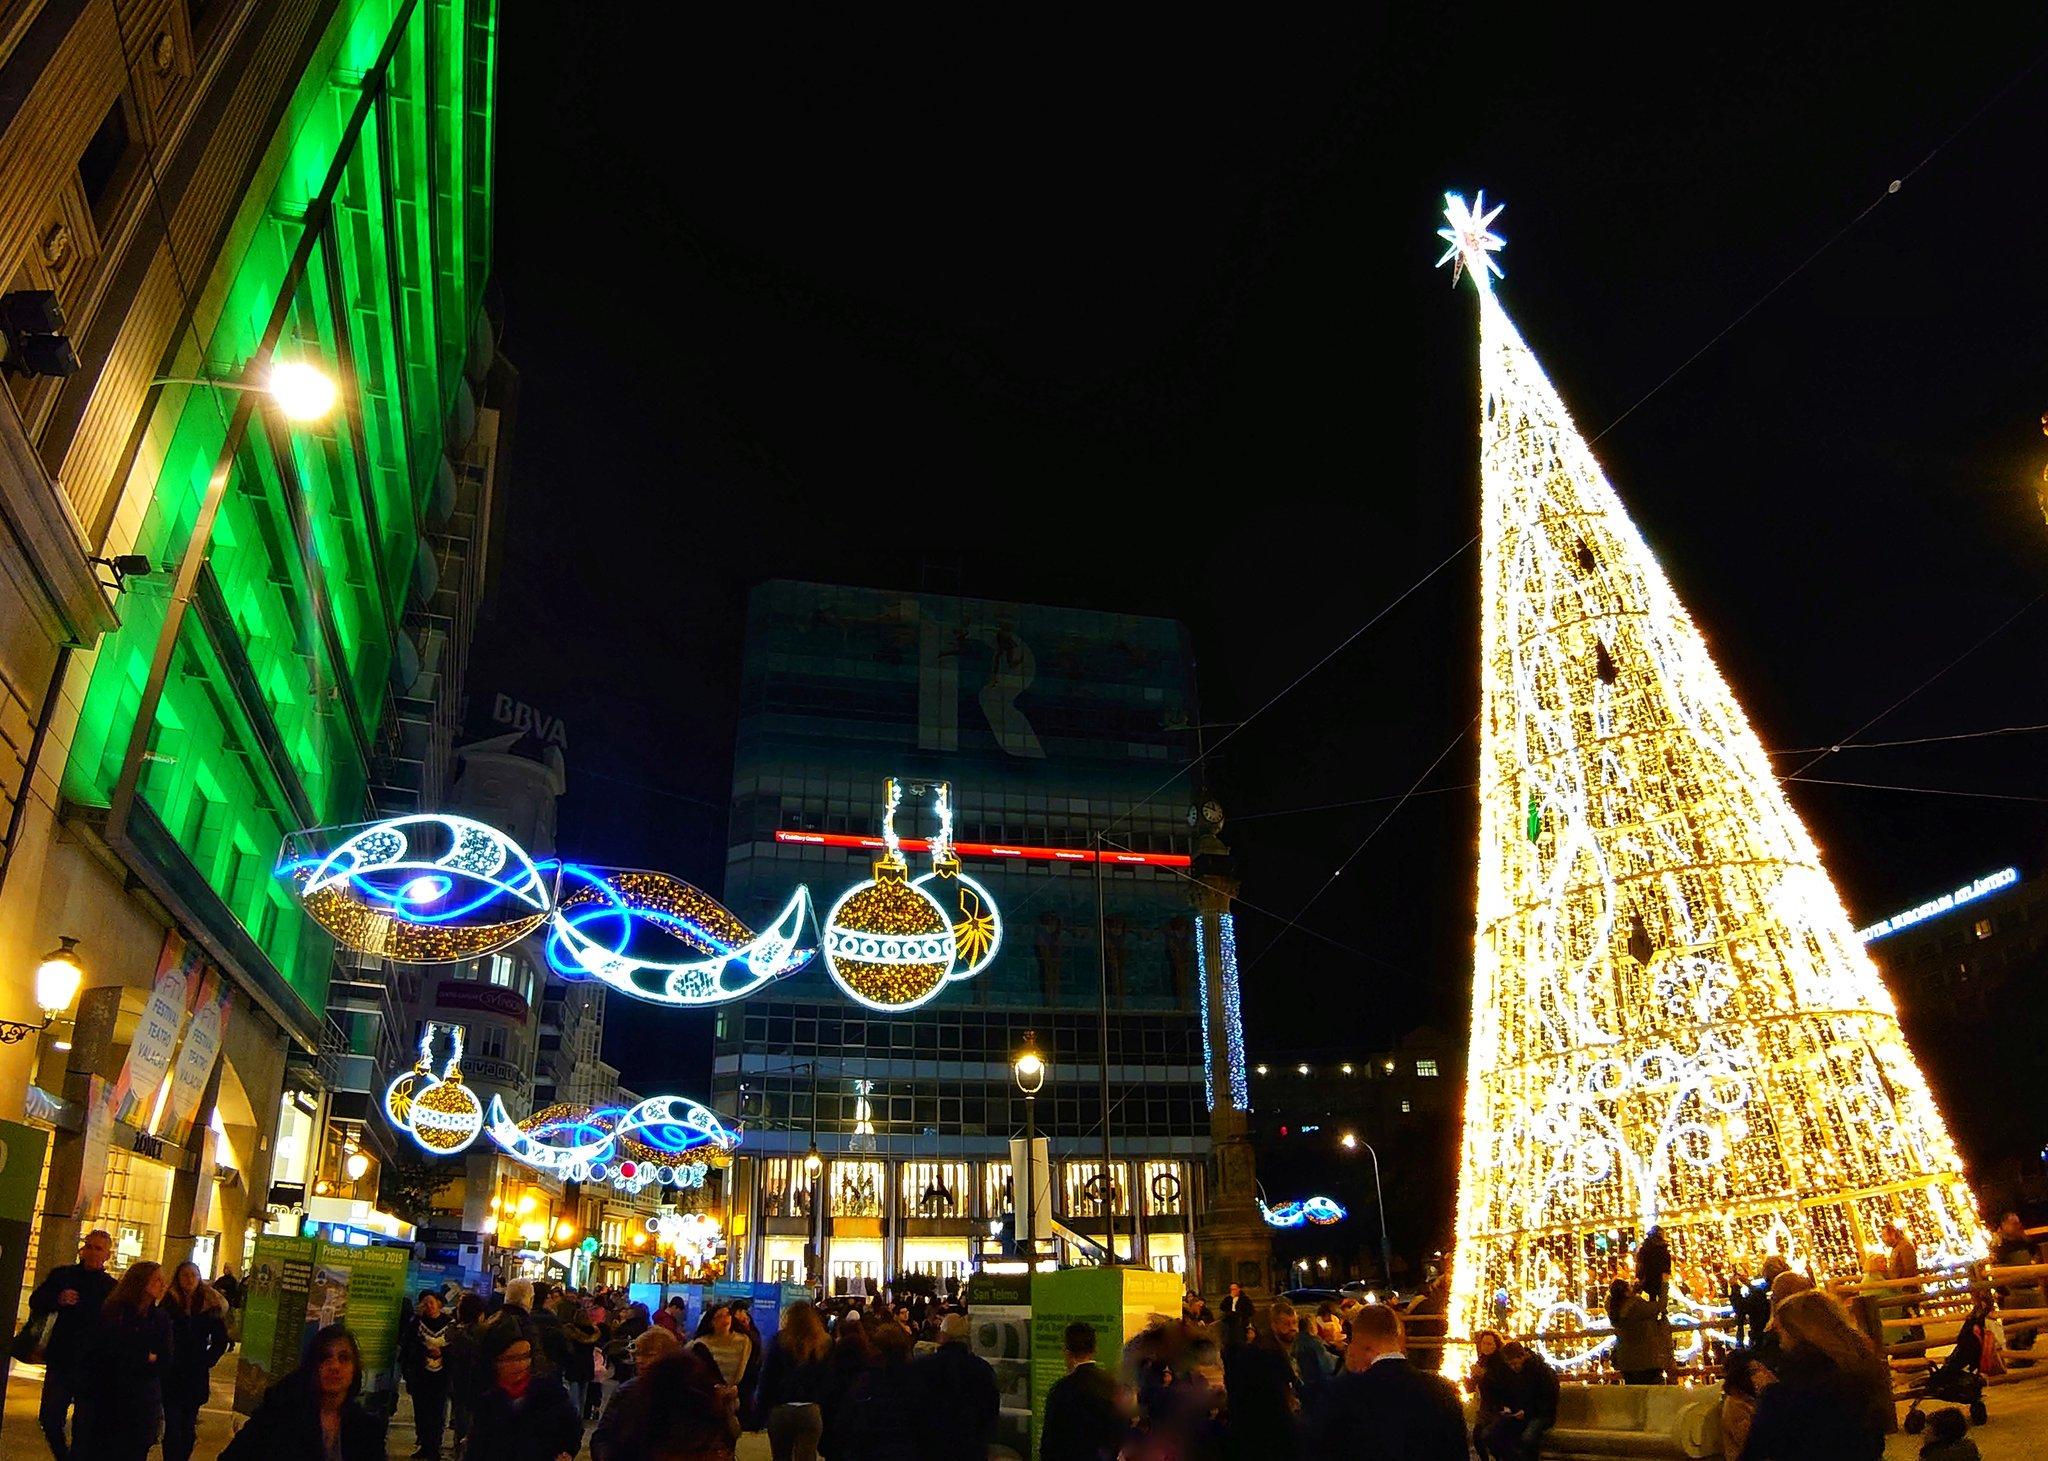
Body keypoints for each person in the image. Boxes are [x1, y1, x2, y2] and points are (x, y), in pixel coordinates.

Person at [1738, 1290, 1890, 1459]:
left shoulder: (1784, 1394)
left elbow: (1754, 1453)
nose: (1779, 1343)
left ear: (1794, 1334)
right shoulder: (1863, 1374)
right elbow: (1876, 1440)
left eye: (1780, 1334)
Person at [1306, 1303, 1466, 1461]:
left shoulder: (1342, 1394)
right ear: (1399, 1339)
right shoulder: (1442, 1391)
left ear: (1359, 1344)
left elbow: (1319, 1449)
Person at [222, 1325, 389, 1461]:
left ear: (355, 1369)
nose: (335, 1366)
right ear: (312, 1367)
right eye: (325, 1358)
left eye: (344, 1358)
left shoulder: (367, 1429)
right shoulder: (279, 1415)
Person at [26, 1228, 116, 1460]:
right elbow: (36, 1300)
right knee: (49, 1417)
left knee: (84, 1425)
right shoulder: (63, 1276)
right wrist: (58, 1299)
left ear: (107, 1255)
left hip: (93, 1364)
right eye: (89, 1246)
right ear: (82, 1249)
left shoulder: (111, 1287)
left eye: (99, 1248)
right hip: (62, 1358)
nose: (92, 1252)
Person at [72, 1258, 173, 1461]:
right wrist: (144, 1355)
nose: (162, 1285)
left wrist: (145, 1356)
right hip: (107, 1399)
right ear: (140, 1282)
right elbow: (106, 1351)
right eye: (156, 1280)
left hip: (141, 1402)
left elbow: (164, 1358)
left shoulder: (159, 1318)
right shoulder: (114, 1312)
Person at [592, 1341, 736, 1461]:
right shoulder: (629, 1393)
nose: (640, 1360)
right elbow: (603, 1438)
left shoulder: (702, 1407)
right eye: (638, 1354)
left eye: (649, 1354)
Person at [464, 1322, 583, 1461]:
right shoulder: (488, 1401)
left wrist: (567, 1452)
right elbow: (476, 1450)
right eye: (510, 1359)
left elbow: (572, 1429)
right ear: (495, 1362)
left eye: (524, 1356)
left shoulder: (550, 1392)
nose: (519, 1365)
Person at [160, 1261, 230, 1461]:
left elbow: (220, 1339)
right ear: (178, 1278)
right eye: (185, 1275)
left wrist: (207, 1360)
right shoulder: (169, 1302)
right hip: (172, 1372)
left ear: (199, 1278)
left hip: (195, 1373)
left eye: (193, 1275)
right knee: (172, 1425)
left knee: (188, 1425)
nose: (189, 1279)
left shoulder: (209, 1304)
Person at [912, 1312, 998, 1461]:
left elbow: (914, 1407)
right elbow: (991, 1410)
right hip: (971, 1447)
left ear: (942, 1336)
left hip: (932, 1447)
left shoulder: (923, 1367)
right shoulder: (982, 1369)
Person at [1226, 1301, 1305, 1459]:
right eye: (1286, 1324)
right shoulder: (1268, 1354)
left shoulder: (1275, 1350)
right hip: (1266, 1433)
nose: (1293, 1328)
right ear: (1274, 1325)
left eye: (1294, 1323)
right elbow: (1277, 1399)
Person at [755, 1300, 831, 1461]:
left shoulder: (779, 1341)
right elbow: (828, 1379)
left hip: (781, 1408)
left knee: (781, 1456)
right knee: (807, 1455)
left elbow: (768, 1378)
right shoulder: (823, 1343)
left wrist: (760, 1413)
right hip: (810, 1409)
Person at [1039, 1321, 1125, 1461]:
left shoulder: (1061, 1389)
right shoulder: (1111, 1384)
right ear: (1094, 1349)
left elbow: (1050, 1441)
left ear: (1067, 1352)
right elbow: (1121, 1429)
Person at [839, 1318, 923, 1460]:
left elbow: (849, 1420)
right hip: (905, 1449)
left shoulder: (866, 1380)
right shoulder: (916, 1379)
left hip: (871, 1449)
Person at [401, 1288, 456, 1460]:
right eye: (425, 1304)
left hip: (441, 1377)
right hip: (421, 1375)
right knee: (422, 1411)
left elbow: (455, 1349)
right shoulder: (416, 1323)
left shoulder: (449, 1324)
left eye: (431, 1302)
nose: (429, 1306)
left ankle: (434, 1446)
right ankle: (424, 1444)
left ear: (438, 1303)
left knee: (437, 1411)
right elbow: (407, 1345)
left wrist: (442, 1354)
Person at [1485, 1341, 1560, 1461]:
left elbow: (1548, 1400)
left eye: (1515, 1363)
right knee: (1491, 1435)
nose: (1513, 1367)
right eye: (1510, 1365)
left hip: (1540, 1415)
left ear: (1522, 1356)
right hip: (1519, 1413)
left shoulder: (1542, 1371)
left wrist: (1526, 1412)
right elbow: (1509, 1394)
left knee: (1527, 1439)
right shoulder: (1514, 1373)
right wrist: (1507, 1408)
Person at [1607, 1278, 1673, 1384]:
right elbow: (1660, 1306)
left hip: (1626, 1361)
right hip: (1645, 1360)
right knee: (1651, 1389)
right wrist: (1664, 1284)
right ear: (1626, 1292)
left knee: (1634, 1390)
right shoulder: (1636, 1307)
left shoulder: (1616, 1309)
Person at [447, 1292, 487, 1450]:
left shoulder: (453, 1333)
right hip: (475, 1390)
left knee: (461, 1427)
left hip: (459, 1389)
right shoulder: (482, 1335)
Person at [554, 1291, 600, 1423]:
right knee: (583, 1396)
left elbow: (567, 1350)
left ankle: (575, 1420)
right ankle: (580, 1419)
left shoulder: (570, 1332)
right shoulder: (593, 1333)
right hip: (587, 1366)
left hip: (574, 1367)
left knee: (574, 1397)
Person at [1719, 1347, 1772, 1459]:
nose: (1763, 1373)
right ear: (1742, 1375)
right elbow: (1756, 1444)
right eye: (1755, 1371)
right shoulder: (1737, 1405)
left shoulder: (1752, 1399)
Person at [1469, 1330, 1513, 1460]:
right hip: (1485, 1408)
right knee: (1476, 1437)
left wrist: (1484, 1375)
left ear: (1496, 1345)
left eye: (1489, 1344)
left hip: (1499, 1408)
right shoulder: (1481, 1361)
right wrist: (1470, 1380)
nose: (1486, 1347)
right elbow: (1473, 1386)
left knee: (1489, 1437)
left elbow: (1502, 1386)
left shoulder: (1501, 1363)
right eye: (1484, 1343)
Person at [691, 1301, 753, 1389]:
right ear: (712, 1322)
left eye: (728, 1314)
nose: (725, 1319)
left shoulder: (744, 1341)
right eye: (720, 1316)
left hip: (736, 1395)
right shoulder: (701, 1343)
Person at [1915, 1405, 1981, 1461]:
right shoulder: (1969, 1448)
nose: (1923, 1431)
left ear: (1940, 1432)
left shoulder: (1932, 1455)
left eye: (1927, 1428)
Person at [1636, 1225, 1673, 1301]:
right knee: (1661, 1297)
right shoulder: (1662, 1248)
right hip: (1659, 1276)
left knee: (1652, 1296)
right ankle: (1661, 1310)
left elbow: (1640, 1263)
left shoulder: (1645, 1247)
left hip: (1648, 1275)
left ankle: (1654, 1310)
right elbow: (1666, 1263)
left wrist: (1639, 1276)